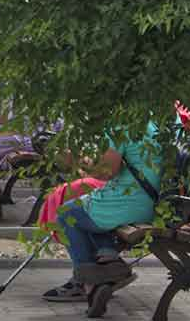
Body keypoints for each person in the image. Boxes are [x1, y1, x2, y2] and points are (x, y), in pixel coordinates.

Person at [42, 123, 161, 304]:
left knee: (67, 214)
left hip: (130, 203)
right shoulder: (151, 122)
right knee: (87, 208)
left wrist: (75, 160)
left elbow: (106, 171)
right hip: (150, 203)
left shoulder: (121, 124)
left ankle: (87, 283)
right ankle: (109, 260)